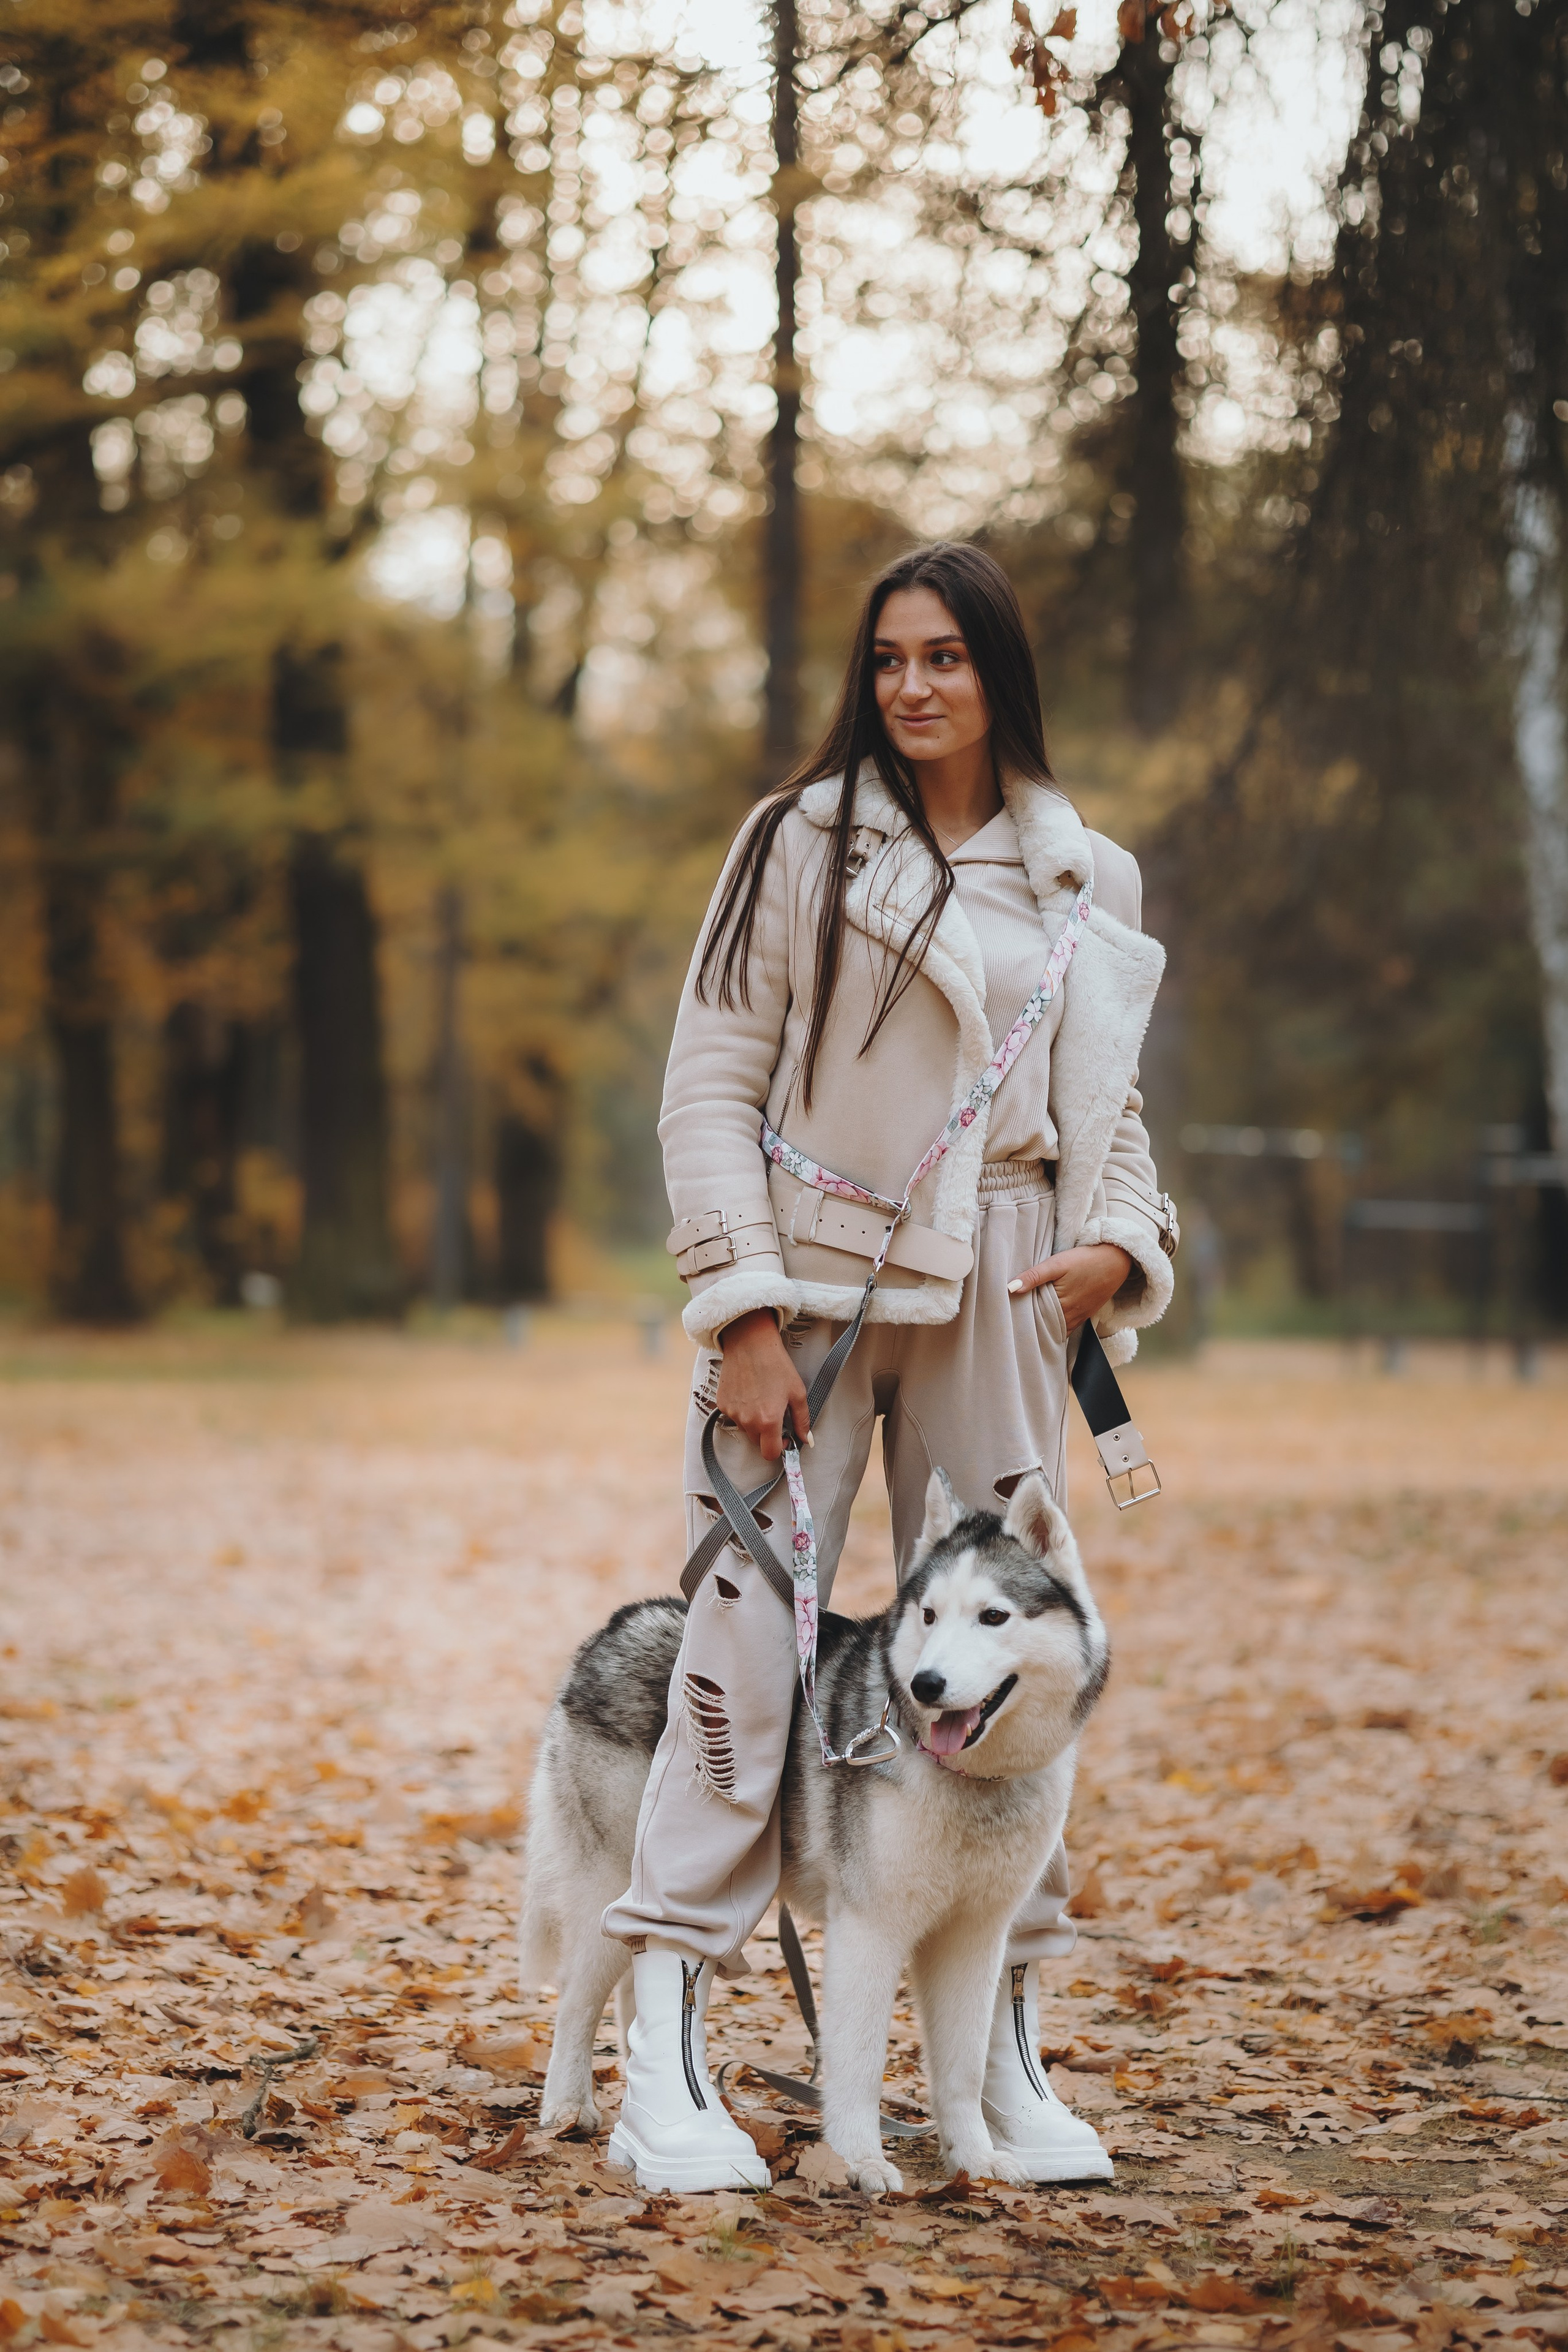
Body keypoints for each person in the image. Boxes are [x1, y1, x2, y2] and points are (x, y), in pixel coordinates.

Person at [603, 541, 1175, 2192]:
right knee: (739, 1645)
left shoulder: (1088, 878)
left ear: (1001, 671)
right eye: (889, 660)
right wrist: (744, 1316)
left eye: (947, 657)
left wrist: (1120, 1248)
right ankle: (669, 2045)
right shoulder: (794, 845)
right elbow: (708, 1080)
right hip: (816, 1282)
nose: (913, 687)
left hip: (1006, 1290)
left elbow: (1108, 1116)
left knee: (1007, 1651)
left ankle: (994, 2061)